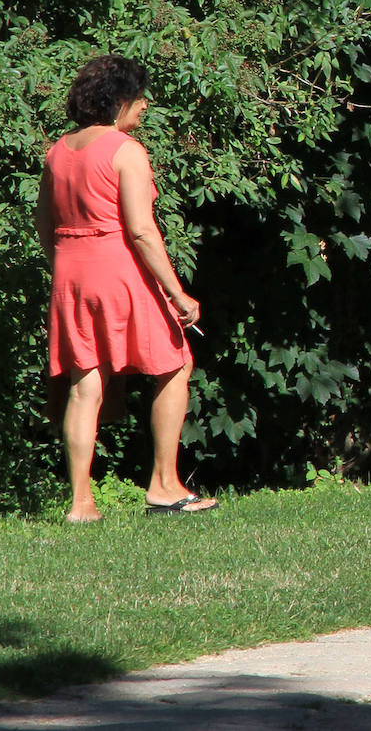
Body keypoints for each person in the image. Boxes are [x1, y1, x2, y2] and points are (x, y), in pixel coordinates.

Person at [35, 55, 218, 522]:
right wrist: (178, 295)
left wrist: (65, 268)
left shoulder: (58, 151)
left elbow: (43, 222)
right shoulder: (125, 149)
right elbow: (140, 230)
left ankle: (80, 504)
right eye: (140, 97)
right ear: (118, 102)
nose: (145, 105)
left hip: (70, 274)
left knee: (85, 383)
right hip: (118, 270)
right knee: (176, 361)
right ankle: (163, 485)